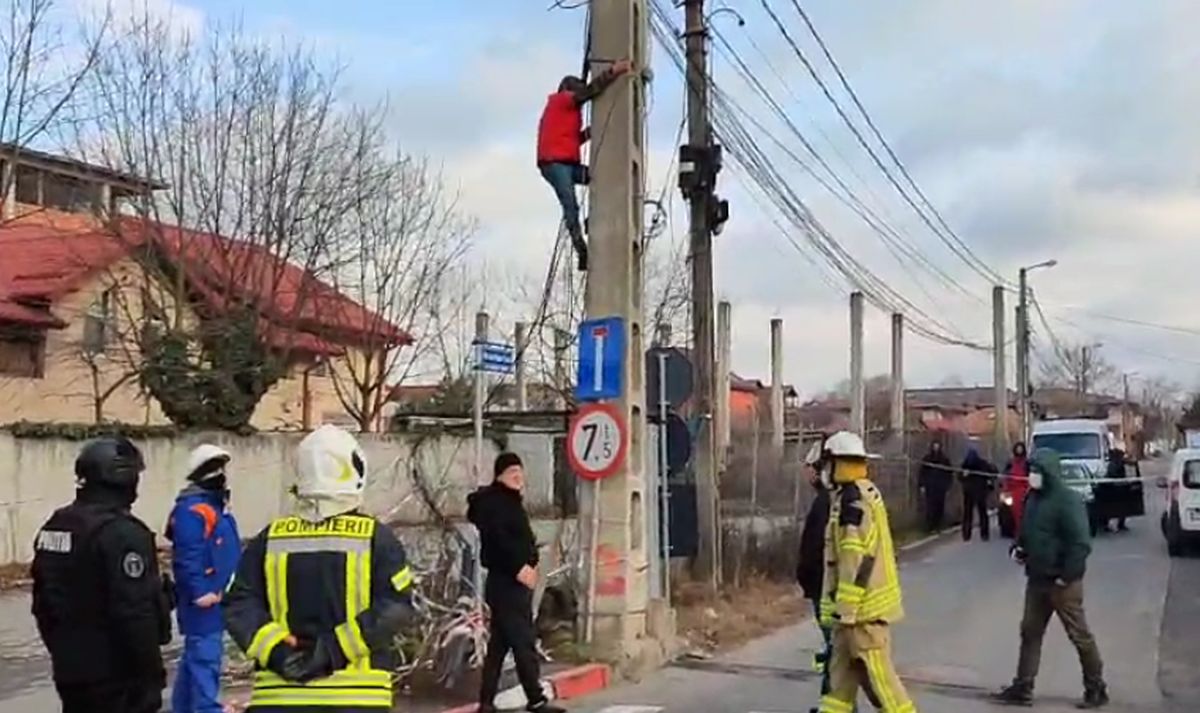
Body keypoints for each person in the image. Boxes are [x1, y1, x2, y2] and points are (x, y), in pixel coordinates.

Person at [224, 425, 415, 711]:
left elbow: (239, 605)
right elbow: (394, 609)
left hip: (279, 698)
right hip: (358, 699)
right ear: (356, 471)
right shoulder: (377, 539)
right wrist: (331, 650)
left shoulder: (269, 539)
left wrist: (278, 652)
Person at [31, 437, 173, 713]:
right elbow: (134, 612)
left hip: (71, 671)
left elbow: (43, 603)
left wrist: (65, 653)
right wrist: (151, 675)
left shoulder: (57, 526)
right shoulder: (122, 533)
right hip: (116, 677)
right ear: (123, 477)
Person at [993, 449, 1108, 709]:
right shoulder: (1034, 498)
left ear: (1050, 473)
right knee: (1030, 632)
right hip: (1037, 579)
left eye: (1037, 471)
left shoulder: (1068, 501)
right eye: (1031, 470)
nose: (1032, 476)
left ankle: (1096, 687)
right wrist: (1018, 547)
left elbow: (1080, 544)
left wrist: (1066, 575)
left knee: (1080, 636)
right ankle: (1023, 685)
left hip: (1062, 584)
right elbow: (1027, 530)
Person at [818, 431, 918, 713]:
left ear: (838, 464)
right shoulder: (858, 494)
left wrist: (846, 609)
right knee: (839, 686)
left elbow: (855, 560)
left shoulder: (853, 503)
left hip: (863, 617)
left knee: (884, 686)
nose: (824, 471)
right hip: (849, 617)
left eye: (827, 463)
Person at [469, 452, 563, 713]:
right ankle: (535, 699)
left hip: (512, 583)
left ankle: (486, 703)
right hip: (506, 584)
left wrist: (530, 565)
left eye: (520, 472)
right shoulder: (496, 504)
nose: (518, 477)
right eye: (512, 472)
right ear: (500, 476)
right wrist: (519, 568)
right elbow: (498, 543)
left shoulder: (509, 501)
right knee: (523, 640)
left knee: (499, 646)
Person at [537, 58, 633, 271]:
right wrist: (614, 71)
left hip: (565, 162)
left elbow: (567, 139)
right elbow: (590, 91)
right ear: (567, 90)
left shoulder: (564, 113)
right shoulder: (561, 101)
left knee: (598, 177)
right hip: (555, 164)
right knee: (570, 205)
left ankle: (596, 221)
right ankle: (581, 250)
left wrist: (588, 134)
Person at [166, 444, 241, 713]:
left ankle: (186, 707)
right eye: (216, 469)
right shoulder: (194, 510)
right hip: (205, 598)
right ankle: (206, 708)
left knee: (196, 656)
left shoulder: (213, 507)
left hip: (216, 594)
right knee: (205, 654)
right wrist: (199, 592)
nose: (222, 474)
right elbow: (187, 555)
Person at [960, 446, 996, 542]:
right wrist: (963, 475)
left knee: (981, 513)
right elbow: (959, 477)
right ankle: (967, 534)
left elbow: (993, 473)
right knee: (969, 514)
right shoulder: (965, 465)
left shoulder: (982, 464)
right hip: (970, 492)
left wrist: (989, 480)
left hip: (980, 491)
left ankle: (982, 534)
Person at [918, 441, 953, 533]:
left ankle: (938, 526)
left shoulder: (944, 460)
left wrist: (947, 485)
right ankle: (930, 527)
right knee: (930, 507)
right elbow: (922, 473)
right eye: (934, 446)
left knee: (939, 507)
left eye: (937, 446)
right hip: (930, 487)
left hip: (940, 487)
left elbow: (949, 473)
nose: (936, 448)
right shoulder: (927, 459)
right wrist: (922, 485)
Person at [1003, 442, 1031, 537]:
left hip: (1025, 491)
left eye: (1021, 449)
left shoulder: (1028, 464)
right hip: (1013, 492)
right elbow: (1006, 477)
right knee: (1011, 512)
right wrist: (1006, 490)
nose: (1019, 451)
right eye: (1017, 449)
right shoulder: (1010, 463)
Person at [1104, 447, 1128, 532]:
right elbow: (1113, 475)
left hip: (1119, 489)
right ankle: (1108, 525)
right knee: (1111, 508)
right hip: (1113, 490)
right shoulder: (1113, 465)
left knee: (1121, 508)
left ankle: (1121, 524)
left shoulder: (1118, 464)